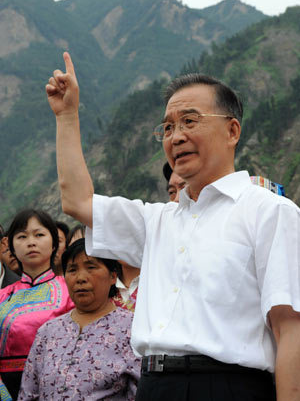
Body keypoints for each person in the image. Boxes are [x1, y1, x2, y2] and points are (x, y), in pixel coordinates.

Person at [46, 52, 300, 401]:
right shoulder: (156, 221)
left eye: (190, 121)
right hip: (154, 385)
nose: (176, 136)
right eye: (167, 127)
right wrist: (67, 115)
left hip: (230, 388)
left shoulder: (270, 212)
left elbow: (290, 329)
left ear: (232, 130)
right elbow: (77, 201)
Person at [18, 238, 141, 400]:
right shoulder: (48, 331)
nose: (80, 278)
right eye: (72, 270)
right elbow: (28, 393)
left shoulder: (133, 328)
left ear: (113, 276)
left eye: (91, 267)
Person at [0, 209, 74, 401]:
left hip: (63, 385)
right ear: (12, 247)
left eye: (39, 234)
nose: (31, 242)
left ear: (54, 244)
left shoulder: (71, 291)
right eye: (22, 236)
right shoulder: (2, 296)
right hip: (7, 388)